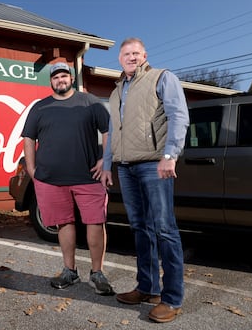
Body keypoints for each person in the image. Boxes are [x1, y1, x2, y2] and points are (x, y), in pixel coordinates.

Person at [101, 38, 189, 323]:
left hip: (154, 163)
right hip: (125, 167)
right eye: (126, 54)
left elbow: (179, 116)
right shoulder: (116, 93)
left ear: (144, 55)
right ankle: (147, 287)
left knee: (165, 229)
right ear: (119, 59)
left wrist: (170, 154)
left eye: (135, 53)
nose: (131, 57)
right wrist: (106, 165)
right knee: (140, 228)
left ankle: (172, 299)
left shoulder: (161, 78)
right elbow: (113, 132)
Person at [21, 61, 114, 296]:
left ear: (71, 79)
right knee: (63, 223)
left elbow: (109, 131)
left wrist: (106, 160)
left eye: (64, 76)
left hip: (88, 177)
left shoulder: (90, 102)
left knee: (95, 222)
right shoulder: (39, 107)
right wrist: (32, 169)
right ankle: (69, 270)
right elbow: (29, 139)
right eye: (55, 77)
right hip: (51, 179)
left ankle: (98, 273)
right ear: (50, 81)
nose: (60, 80)